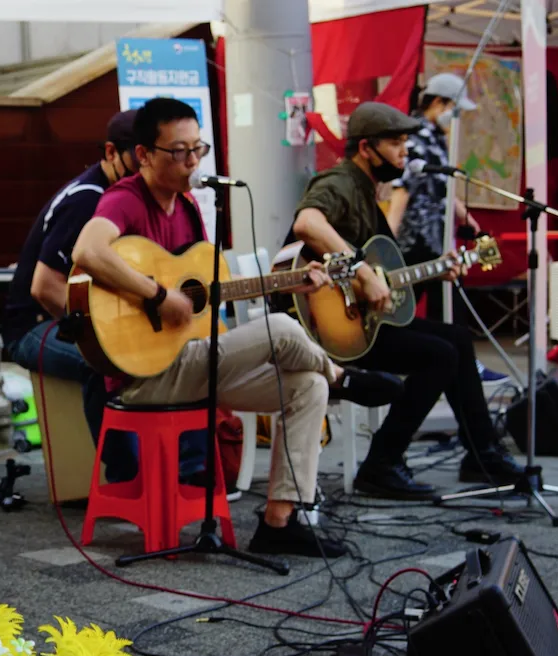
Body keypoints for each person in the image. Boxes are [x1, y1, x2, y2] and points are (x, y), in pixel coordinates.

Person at [70, 98, 402, 558]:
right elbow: (87, 252)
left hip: (190, 361)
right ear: (144, 155)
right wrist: (159, 296)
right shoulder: (125, 198)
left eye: (198, 149)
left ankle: (279, 522)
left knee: (307, 386)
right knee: (283, 330)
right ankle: (344, 376)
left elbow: (206, 296)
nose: (192, 162)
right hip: (142, 374)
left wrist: (295, 283)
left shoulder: (186, 208)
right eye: (179, 152)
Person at [290, 101, 524, 501]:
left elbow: (387, 270)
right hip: (331, 326)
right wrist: (361, 271)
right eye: (396, 143)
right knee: (439, 355)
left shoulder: (366, 190)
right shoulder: (341, 181)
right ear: (366, 148)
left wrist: (436, 267)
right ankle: (381, 463)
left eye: (405, 143)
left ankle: (481, 453)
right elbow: (307, 223)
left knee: (457, 339)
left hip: (362, 318)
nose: (404, 152)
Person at [4, 110, 144, 483]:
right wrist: (100, 335)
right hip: (33, 326)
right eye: (138, 157)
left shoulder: (120, 196)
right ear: (113, 152)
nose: (145, 168)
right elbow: (44, 288)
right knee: (102, 361)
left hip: (71, 317)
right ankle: (124, 476)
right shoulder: (87, 201)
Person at [384, 73, 507, 385]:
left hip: (435, 237)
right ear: (438, 103)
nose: (457, 118)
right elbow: (403, 189)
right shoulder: (418, 138)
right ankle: (454, 369)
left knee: (437, 306)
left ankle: (454, 368)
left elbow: (442, 187)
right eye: (454, 108)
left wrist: (466, 217)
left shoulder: (436, 139)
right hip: (417, 239)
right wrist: (386, 240)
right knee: (403, 308)